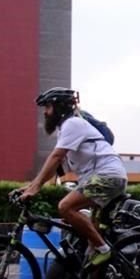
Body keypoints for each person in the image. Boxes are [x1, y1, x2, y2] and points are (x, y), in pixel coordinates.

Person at [19, 87, 128, 267]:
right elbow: (57, 167)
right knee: (89, 246)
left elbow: (56, 157)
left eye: (48, 107)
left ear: (59, 107)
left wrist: (36, 187)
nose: (45, 113)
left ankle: (105, 251)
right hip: (102, 178)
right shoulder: (66, 129)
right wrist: (31, 186)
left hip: (107, 177)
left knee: (65, 207)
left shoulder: (73, 124)